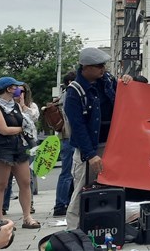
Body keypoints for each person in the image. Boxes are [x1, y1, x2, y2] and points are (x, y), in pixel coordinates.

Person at [65, 48, 131, 229]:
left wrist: (127, 81)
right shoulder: (74, 91)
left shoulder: (108, 81)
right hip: (90, 148)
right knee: (82, 189)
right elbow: (77, 127)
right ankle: (73, 231)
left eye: (104, 65)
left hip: (112, 144)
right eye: (98, 66)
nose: (103, 69)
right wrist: (90, 154)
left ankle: (113, 226)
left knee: (115, 187)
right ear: (85, 67)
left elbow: (125, 98)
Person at [0, 77, 38, 228]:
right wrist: (22, 129)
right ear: (8, 89)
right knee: (1, 184)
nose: (19, 90)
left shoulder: (16, 105)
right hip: (1, 149)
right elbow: (4, 130)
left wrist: (22, 106)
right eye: (16, 87)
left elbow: (27, 119)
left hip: (18, 147)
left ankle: (27, 217)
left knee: (25, 182)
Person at [52, 71, 76, 217]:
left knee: (68, 173)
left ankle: (64, 202)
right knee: (67, 173)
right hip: (69, 137)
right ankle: (60, 204)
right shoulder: (69, 95)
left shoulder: (63, 95)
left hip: (66, 137)